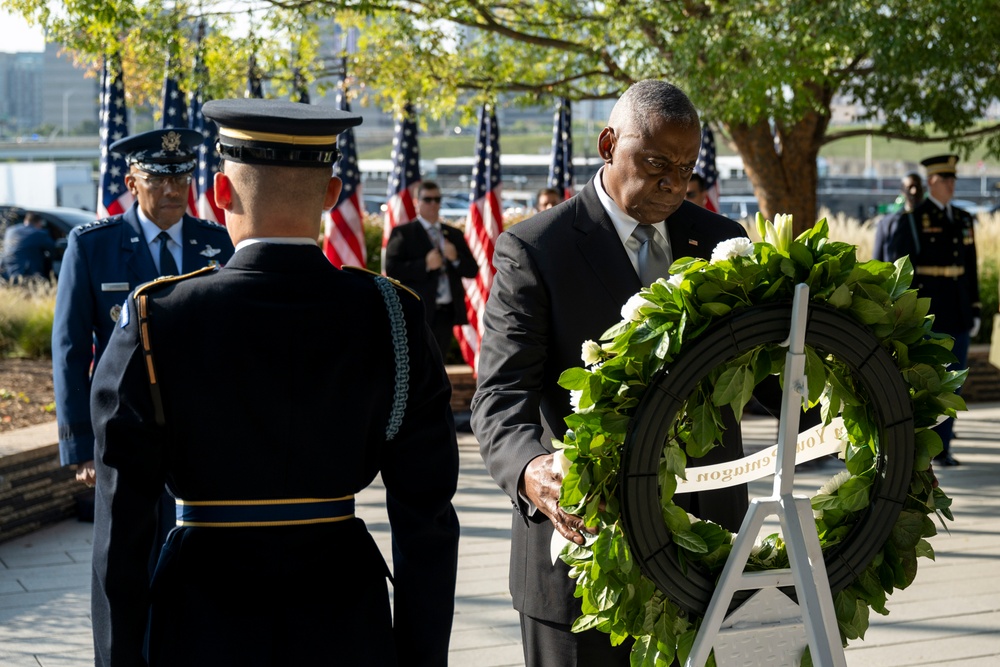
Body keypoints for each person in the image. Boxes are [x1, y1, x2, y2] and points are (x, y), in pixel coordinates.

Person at [89, 99, 461, 666]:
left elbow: (121, 530)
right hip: (345, 617)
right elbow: (427, 517)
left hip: (202, 620)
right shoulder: (390, 313)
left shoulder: (155, 317)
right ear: (332, 194)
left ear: (217, 192)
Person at [471, 79, 751, 667]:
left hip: (708, 553)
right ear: (607, 144)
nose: (673, 182)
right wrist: (529, 469)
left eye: (685, 166)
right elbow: (500, 395)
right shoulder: (536, 249)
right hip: (585, 555)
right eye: (654, 163)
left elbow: (769, 376)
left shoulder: (724, 243)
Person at [51, 128, 234, 541]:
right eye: (159, 180)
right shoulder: (92, 246)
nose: (173, 190)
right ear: (132, 183)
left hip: (201, 432)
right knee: (128, 555)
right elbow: (70, 350)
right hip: (125, 429)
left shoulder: (218, 244)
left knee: (199, 554)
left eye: (182, 179)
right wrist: (81, 447)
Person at [877, 155, 979, 466]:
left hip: (959, 311)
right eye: (946, 180)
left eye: (953, 180)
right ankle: (924, 448)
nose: (952, 185)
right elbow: (902, 270)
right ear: (932, 181)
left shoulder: (962, 219)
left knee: (954, 382)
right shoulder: (912, 220)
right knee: (928, 383)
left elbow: (971, 267)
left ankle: (944, 447)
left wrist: (975, 308)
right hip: (931, 311)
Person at [384, 180, 479, 360]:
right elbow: (392, 269)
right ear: (416, 202)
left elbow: (472, 270)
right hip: (416, 311)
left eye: (437, 199)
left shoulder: (453, 234)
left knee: (438, 361)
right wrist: (424, 265)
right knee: (417, 362)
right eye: (427, 199)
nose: (433, 204)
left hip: (446, 311)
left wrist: (455, 258)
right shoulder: (404, 233)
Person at [873, 172, 924, 262]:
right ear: (902, 190)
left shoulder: (934, 220)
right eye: (910, 187)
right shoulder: (887, 223)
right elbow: (877, 261)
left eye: (917, 187)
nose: (914, 191)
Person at [1, 212, 55, 281]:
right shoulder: (38, 233)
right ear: (39, 223)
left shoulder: (10, 230)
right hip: (27, 275)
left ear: (25, 220)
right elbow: (53, 249)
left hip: (7, 273)